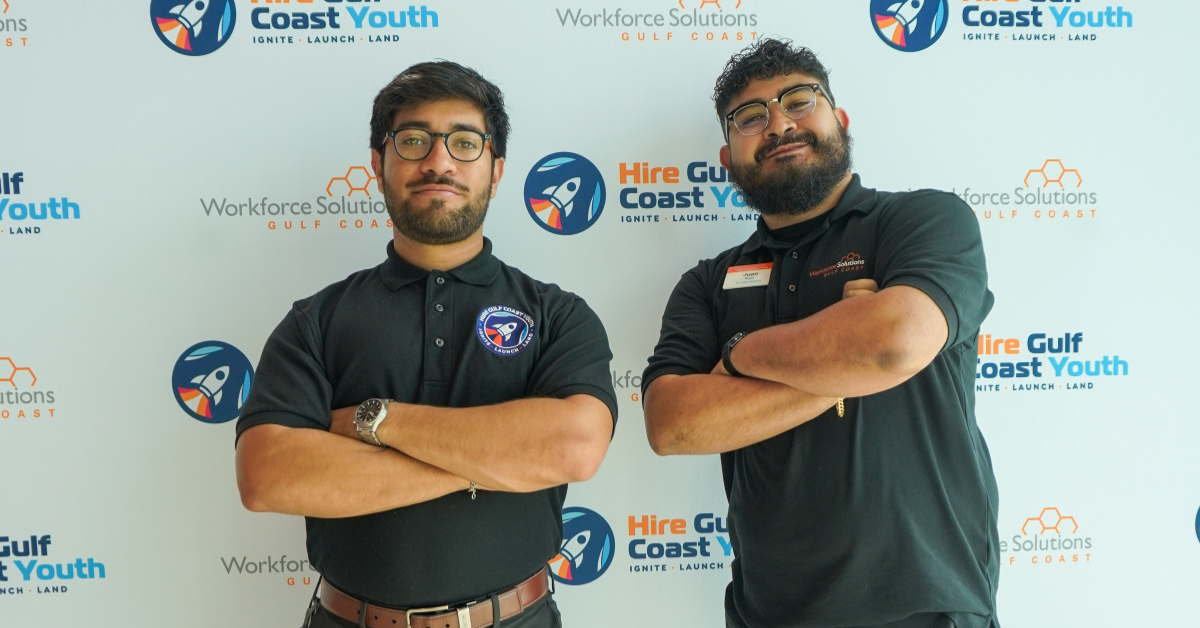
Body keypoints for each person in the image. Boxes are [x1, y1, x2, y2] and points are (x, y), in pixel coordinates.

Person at [234, 61, 617, 628]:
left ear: (496, 170)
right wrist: (499, 461)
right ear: (378, 164)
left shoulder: (557, 314)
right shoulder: (316, 320)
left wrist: (374, 421)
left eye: (464, 142)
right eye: (414, 140)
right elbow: (267, 476)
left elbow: (575, 448)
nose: (439, 161)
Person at [641, 39, 999, 628]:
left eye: (799, 101)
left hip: (929, 609)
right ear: (727, 158)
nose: (779, 124)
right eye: (750, 117)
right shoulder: (708, 282)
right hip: (768, 615)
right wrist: (848, 353)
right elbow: (672, 424)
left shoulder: (922, 220)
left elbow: (893, 341)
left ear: (841, 120)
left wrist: (741, 355)